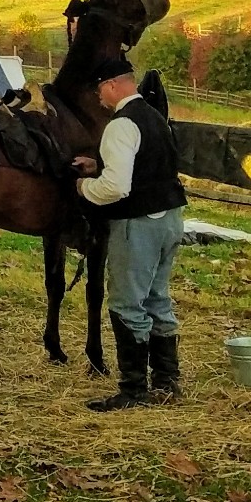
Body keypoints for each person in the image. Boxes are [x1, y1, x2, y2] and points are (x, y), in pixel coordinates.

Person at [73, 60, 187, 411]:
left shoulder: (121, 125)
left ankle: (134, 391)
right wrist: (100, 165)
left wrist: (84, 185)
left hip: (137, 224)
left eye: (98, 90)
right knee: (157, 298)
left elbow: (116, 188)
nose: (98, 98)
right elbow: (148, 165)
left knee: (126, 303)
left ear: (111, 85)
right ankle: (167, 383)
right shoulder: (154, 117)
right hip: (170, 218)